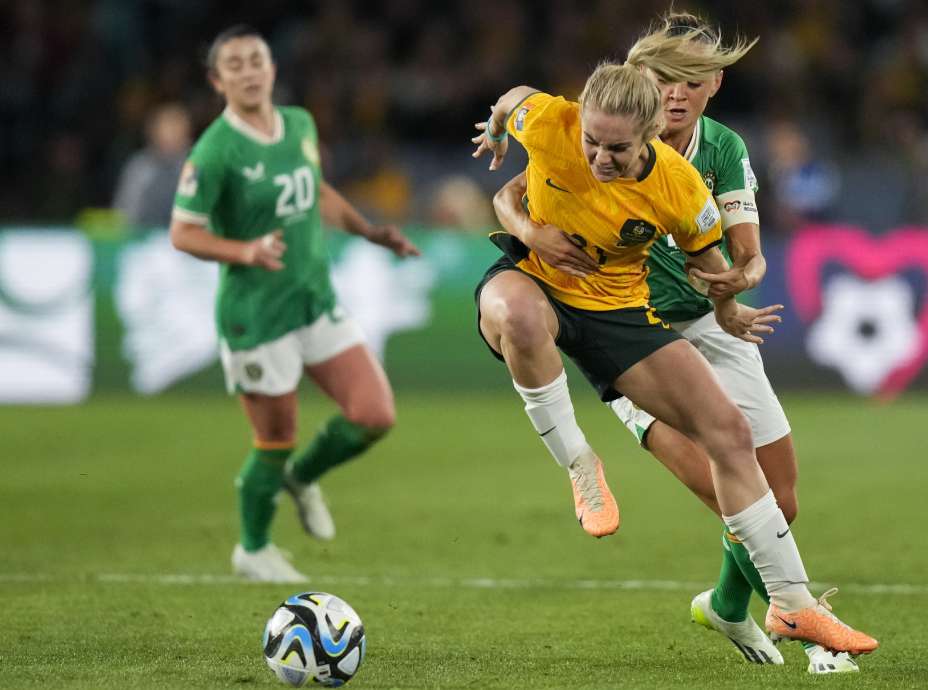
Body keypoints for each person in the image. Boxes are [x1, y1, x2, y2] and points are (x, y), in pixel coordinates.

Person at [470, 61, 878, 655]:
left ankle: (792, 606)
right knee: (518, 315)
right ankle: (580, 465)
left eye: (617, 148)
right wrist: (501, 138)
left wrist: (731, 304)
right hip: (535, 280)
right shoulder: (552, 122)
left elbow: (708, 264)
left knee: (730, 433)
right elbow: (511, 97)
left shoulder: (680, 188)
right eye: (591, 141)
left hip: (618, 312)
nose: (600, 158)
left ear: (650, 134)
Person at [169, 25, 418, 583]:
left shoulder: (300, 124)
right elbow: (182, 232)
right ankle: (252, 549)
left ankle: (303, 479)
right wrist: (245, 249)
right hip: (256, 316)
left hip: (313, 298)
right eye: (234, 64)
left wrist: (368, 231)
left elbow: (316, 189)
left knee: (375, 415)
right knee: (274, 439)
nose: (249, 71)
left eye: (256, 59)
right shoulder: (215, 151)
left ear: (272, 68)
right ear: (217, 81)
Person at [114, 103, 193, 230]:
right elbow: (124, 214)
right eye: (165, 131)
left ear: (187, 135)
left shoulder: (199, 166)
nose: (170, 138)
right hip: (144, 242)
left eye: (175, 130)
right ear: (152, 133)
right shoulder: (139, 167)